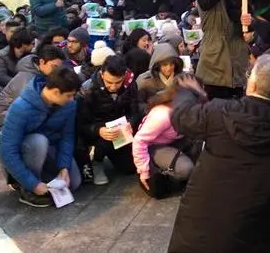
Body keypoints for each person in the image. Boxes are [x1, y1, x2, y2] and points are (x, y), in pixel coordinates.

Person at [167, 55, 270, 253]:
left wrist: (188, 91)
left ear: (252, 83)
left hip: (197, 238)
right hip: (259, 240)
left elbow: (180, 116)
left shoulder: (218, 112)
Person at [0, 66, 82, 207]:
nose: (72, 99)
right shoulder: (21, 108)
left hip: (50, 148)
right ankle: (26, 188)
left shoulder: (69, 105)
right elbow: (7, 151)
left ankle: (44, 179)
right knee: (39, 141)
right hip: (27, 150)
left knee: (74, 182)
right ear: (56, 92)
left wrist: (64, 167)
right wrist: (33, 184)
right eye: (69, 95)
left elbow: (67, 137)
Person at [195, 0, 252, 100]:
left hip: (237, 61)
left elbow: (247, 26)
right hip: (215, 62)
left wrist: (247, 23)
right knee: (217, 110)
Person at [132, 75, 198, 198]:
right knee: (187, 169)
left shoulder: (192, 105)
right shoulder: (162, 115)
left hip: (177, 140)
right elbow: (139, 141)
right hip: (155, 146)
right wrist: (144, 172)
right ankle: (164, 173)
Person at [77, 55, 140, 185]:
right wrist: (98, 130)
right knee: (103, 139)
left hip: (121, 130)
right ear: (102, 73)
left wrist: (130, 122)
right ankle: (97, 162)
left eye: (118, 82)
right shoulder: (88, 89)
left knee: (130, 169)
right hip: (98, 131)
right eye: (109, 82)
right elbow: (81, 123)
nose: (113, 87)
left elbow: (135, 111)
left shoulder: (130, 85)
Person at [0, 44, 65, 128]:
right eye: (54, 67)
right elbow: (28, 105)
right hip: (5, 115)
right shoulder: (28, 78)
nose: (56, 71)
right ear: (42, 62)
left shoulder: (42, 73)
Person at [137, 43, 183, 113]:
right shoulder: (146, 82)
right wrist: (151, 109)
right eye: (165, 65)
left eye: (172, 64)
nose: (169, 68)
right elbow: (139, 104)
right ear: (157, 66)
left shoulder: (182, 80)